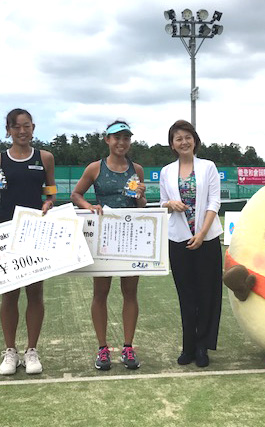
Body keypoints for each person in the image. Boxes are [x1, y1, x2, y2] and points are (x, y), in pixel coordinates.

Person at [0, 108, 56, 375]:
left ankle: (32, 350)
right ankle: (10, 351)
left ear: (33, 127)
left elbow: (50, 192)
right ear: (8, 130)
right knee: (9, 293)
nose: (22, 131)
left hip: (36, 232)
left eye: (26, 126)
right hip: (5, 232)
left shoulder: (45, 157)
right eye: (16, 127)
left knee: (35, 292)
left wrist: (48, 203)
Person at [71, 120, 147, 371]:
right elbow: (76, 195)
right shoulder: (95, 168)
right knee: (100, 293)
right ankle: (102, 348)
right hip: (103, 239)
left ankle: (128, 347)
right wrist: (89, 207)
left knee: (130, 292)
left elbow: (141, 207)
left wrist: (142, 197)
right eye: (116, 138)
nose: (121, 143)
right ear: (107, 140)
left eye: (126, 138)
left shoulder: (137, 169)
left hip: (129, 238)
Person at [159, 119, 223, 368]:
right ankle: (188, 346)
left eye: (187, 137)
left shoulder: (208, 167)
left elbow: (214, 203)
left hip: (206, 240)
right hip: (178, 240)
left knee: (207, 293)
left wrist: (202, 233)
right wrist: (170, 204)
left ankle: (202, 346)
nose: (183, 142)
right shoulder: (166, 171)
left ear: (194, 140)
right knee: (186, 294)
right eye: (178, 138)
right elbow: (163, 201)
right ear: (172, 145)